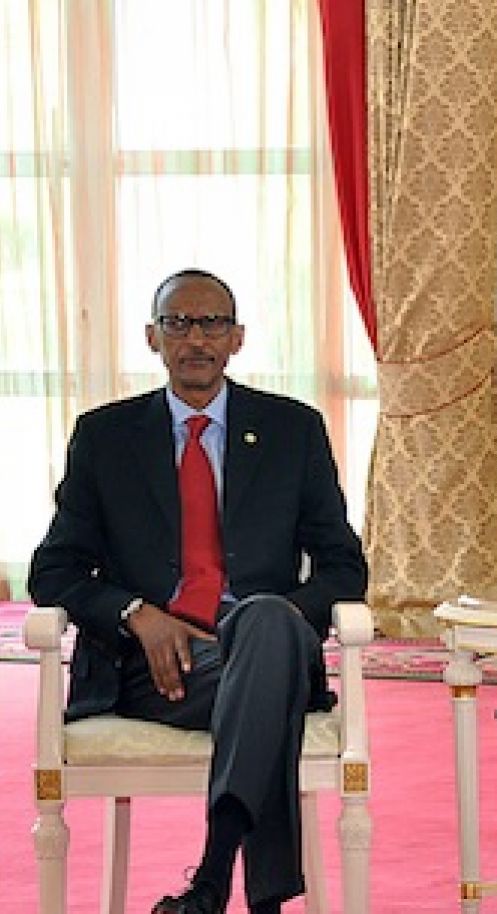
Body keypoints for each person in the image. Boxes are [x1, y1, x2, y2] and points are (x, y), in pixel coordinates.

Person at [30, 269, 368, 914]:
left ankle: (212, 879)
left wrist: (281, 625)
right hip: (157, 671)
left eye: (212, 323)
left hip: (265, 647)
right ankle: (253, 895)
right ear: (152, 337)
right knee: (265, 671)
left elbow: (343, 567)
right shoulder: (105, 438)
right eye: (178, 323)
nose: (196, 339)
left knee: (267, 624)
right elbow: (54, 570)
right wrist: (136, 615)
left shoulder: (293, 430)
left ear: (237, 338)